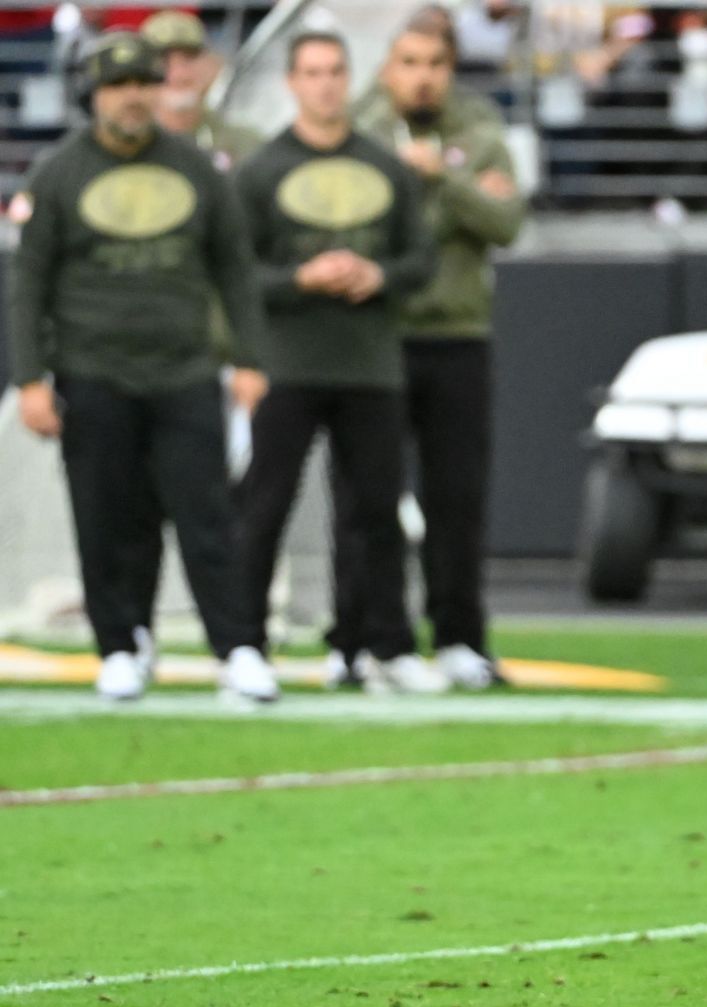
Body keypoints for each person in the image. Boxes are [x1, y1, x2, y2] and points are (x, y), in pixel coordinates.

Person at [6, 33, 274, 703]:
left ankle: (237, 645)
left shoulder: (196, 168)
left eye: (145, 84)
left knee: (207, 514)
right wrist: (30, 377)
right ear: (93, 94)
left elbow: (235, 270)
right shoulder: (59, 172)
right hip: (92, 369)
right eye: (119, 85)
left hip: (183, 367)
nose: (133, 97)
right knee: (105, 519)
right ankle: (120, 644)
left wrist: (250, 355)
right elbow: (28, 284)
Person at [232, 31, 442, 693]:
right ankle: (243, 645)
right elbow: (236, 273)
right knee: (264, 506)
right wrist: (303, 277)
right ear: (292, 82)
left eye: (334, 71)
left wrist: (375, 274)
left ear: (350, 80)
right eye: (312, 72)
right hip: (287, 363)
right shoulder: (261, 170)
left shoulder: (385, 165)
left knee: (375, 513)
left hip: (369, 365)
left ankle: (376, 645)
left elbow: (422, 261)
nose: (324, 84)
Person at [343, 9, 527, 691]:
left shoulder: (478, 126)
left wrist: (438, 181)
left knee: (457, 499)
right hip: (375, 337)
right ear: (388, 66)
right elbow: (362, 229)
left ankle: (459, 637)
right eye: (410, 62)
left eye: (435, 64)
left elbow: (507, 220)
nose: (422, 78)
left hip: (457, 332)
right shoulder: (360, 125)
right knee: (366, 499)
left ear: (451, 67)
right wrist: (452, 195)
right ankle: (356, 639)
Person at [139, 9, 261, 172]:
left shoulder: (246, 145)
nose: (178, 74)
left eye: (189, 59)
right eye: (164, 61)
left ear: (213, 64)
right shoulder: (125, 143)